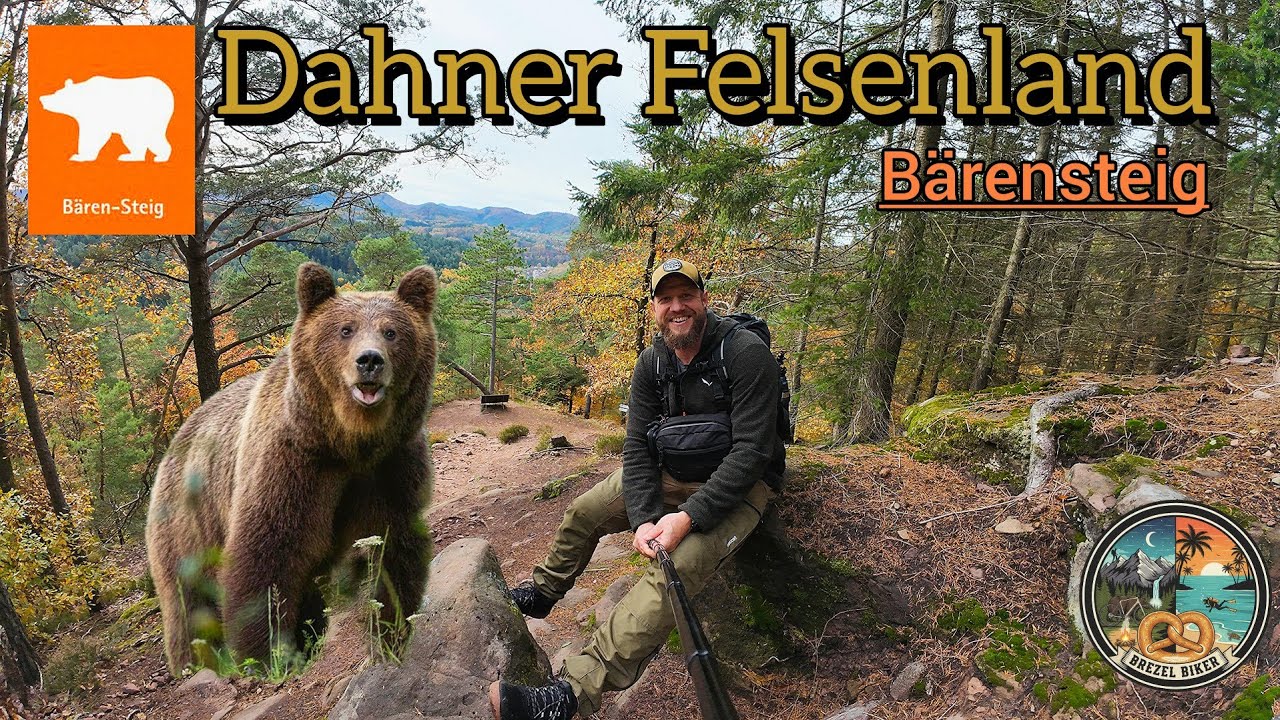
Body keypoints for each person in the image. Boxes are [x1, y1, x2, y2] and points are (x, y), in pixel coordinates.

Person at [489, 258, 786, 719]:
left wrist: (687, 517)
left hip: (740, 485)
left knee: (675, 569)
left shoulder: (744, 354)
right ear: (654, 308)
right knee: (586, 510)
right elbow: (638, 446)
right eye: (665, 298)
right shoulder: (653, 362)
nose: (676, 306)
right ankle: (544, 593)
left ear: (704, 299)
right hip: (672, 472)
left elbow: (751, 453)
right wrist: (645, 515)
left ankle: (571, 693)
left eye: (686, 295)